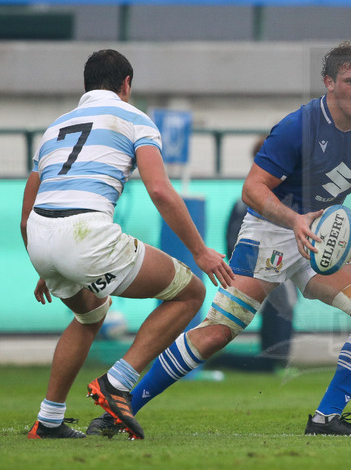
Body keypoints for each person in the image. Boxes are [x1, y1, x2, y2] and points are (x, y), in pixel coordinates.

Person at [87, 41, 351, 437]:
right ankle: (120, 409)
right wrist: (295, 220)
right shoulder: (298, 126)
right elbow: (252, 190)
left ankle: (325, 420)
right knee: (219, 330)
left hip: (321, 238)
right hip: (272, 231)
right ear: (328, 83)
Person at [22, 49, 234, 440]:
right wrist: (202, 251)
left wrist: (44, 265)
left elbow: (26, 212)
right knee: (190, 293)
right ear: (126, 85)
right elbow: (160, 190)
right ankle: (117, 382)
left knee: (90, 316)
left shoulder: (54, 128)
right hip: (84, 233)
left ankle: (48, 419)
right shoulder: (134, 117)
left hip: (40, 237)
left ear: (86, 85)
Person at [210, 136, 296, 373]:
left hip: (265, 263)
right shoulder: (257, 195)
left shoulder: (250, 194)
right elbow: (237, 235)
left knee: (277, 310)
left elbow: (232, 237)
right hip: (267, 264)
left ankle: (268, 359)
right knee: (279, 308)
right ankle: (225, 359)